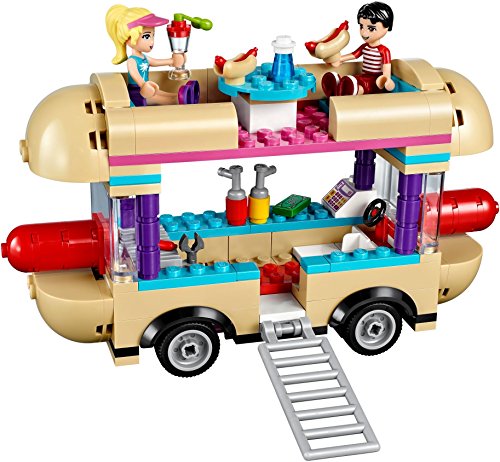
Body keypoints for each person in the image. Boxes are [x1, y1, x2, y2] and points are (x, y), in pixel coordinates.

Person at [105, 4, 185, 106]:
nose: (152, 41)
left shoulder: (144, 58)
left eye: (153, 35)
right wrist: (143, 84)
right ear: (129, 38)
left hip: (148, 87)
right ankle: (177, 100)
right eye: (146, 36)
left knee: (165, 94)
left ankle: (179, 97)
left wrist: (172, 61)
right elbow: (134, 74)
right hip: (137, 92)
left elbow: (156, 62)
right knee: (162, 99)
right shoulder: (132, 60)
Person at [322, 2, 395, 97]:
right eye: (361, 27)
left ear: (386, 28)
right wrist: (339, 59)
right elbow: (354, 55)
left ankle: (349, 92)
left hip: (375, 81)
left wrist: (386, 79)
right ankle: (338, 88)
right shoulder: (364, 47)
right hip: (363, 76)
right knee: (352, 80)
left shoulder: (384, 50)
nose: (364, 33)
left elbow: (386, 70)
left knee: (361, 87)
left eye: (371, 29)